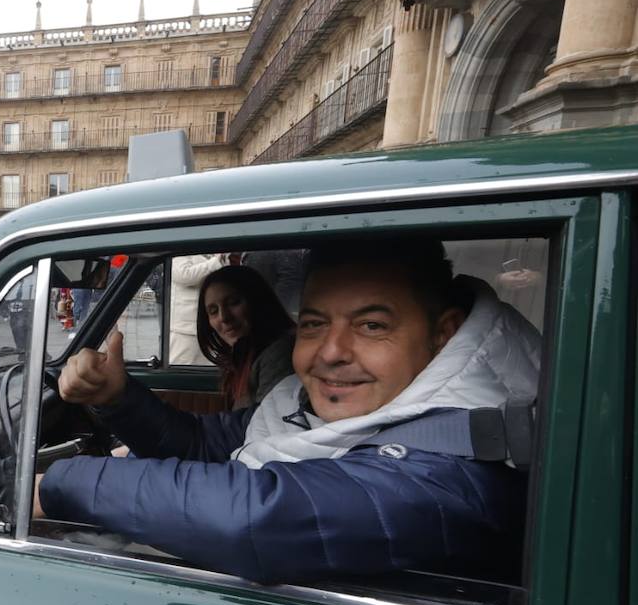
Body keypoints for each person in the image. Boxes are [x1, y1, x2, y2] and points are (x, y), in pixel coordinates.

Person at [35, 238, 540, 585]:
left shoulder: (459, 463)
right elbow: (205, 444)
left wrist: (61, 482)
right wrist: (118, 397)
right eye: (315, 324)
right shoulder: (312, 404)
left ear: (444, 333)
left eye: (371, 326)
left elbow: (257, 519)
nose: (330, 352)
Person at [196, 265, 295, 409]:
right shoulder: (243, 356)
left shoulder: (277, 355)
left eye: (233, 303)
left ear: (257, 301)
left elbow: (267, 427)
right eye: (213, 311)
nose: (224, 317)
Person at [167, 253, 227, 364]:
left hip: (208, 326)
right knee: (182, 369)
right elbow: (184, 275)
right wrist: (216, 262)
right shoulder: (180, 251)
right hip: (185, 329)